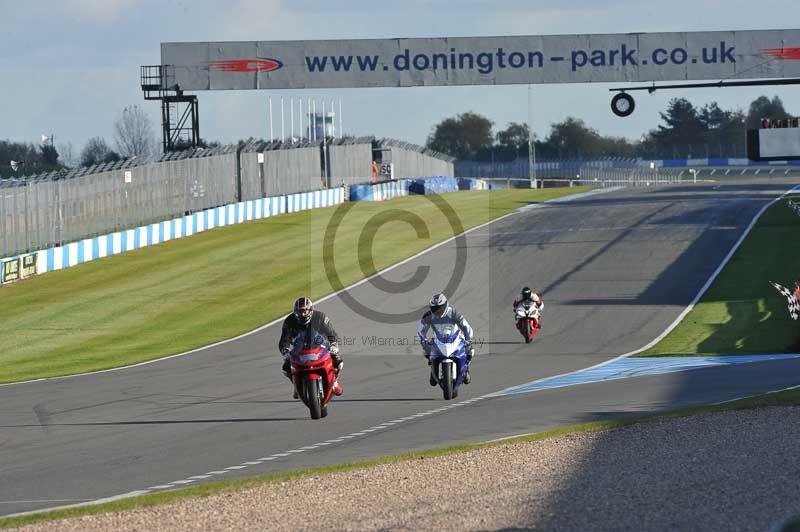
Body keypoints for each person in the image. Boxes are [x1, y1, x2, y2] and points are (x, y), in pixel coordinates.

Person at [278, 297, 343, 398]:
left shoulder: (320, 317)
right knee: (286, 367)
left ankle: (334, 382)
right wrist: (285, 351)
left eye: (304, 310)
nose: (302, 314)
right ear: (295, 312)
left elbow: (332, 334)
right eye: (299, 311)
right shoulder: (289, 321)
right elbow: (284, 340)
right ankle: (296, 386)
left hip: (320, 347)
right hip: (300, 349)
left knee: (338, 361)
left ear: (310, 310)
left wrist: (333, 345)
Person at [418, 293, 475, 386]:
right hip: (437, 338)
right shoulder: (428, 316)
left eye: (439, 308)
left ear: (445, 305)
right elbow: (421, 331)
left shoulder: (453, 313)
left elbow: (466, 327)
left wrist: (468, 340)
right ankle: (432, 369)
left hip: (455, 336)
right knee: (425, 351)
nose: (437, 311)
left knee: (470, 350)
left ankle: (467, 368)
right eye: (434, 308)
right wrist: (424, 342)